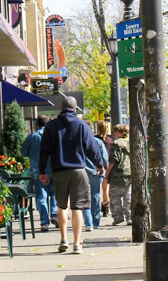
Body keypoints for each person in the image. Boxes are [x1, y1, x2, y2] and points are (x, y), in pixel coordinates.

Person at [39, 97, 104, 254]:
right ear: (75, 109)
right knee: (77, 208)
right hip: (78, 171)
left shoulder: (51, 126)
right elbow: (92, 147)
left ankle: (63, 239)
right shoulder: (82, 125)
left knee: (62, 206)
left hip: (59, 171)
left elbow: (44, 150)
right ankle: (76, 244)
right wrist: (100, 164)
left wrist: (42, 171)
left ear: (61, 108)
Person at [22, 115, 58, 232]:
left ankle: (44, 222)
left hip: (38, 171)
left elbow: (24, 152)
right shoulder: (53, 136)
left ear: (37, 124)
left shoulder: (32, 137)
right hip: (53, 169)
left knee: (41, 196)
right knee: (53, 194)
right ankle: (54, 214)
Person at [82, 120, 108, 231]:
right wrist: (104, 169)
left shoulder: (79, 143)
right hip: (96, 172)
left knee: (84, 197)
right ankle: (95, 221)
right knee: (95, 196)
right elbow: (105, 159)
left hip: (82, 172)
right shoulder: (98, 142)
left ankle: (88, 223)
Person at [104, 124, 131, 226]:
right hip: (128, 174)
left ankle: (118, 217)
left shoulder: (115, 144)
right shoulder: (130, 143)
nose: (114, 133)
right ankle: (129, 217)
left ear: (120, 132)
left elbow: (112, 160)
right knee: (128, 197)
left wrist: (107, 174)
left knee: (115, 198)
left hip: (116, 174)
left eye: (115, 131)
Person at [95, 120, 113, 217]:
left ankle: (96, 207)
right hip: (107, 166)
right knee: (105, 188)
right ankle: (106, 208)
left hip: (96, 166)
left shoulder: (94, 139)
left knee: (95, 189)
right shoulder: (109, 140)